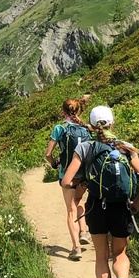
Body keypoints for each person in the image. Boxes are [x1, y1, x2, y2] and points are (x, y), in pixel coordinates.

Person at [61, 104, 139, 278]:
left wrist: (82, 182)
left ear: (91, 125)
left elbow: (65, 182)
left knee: (101, 256)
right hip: (121, 208)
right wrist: (137, 203)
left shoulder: (85, 148)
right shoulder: (125, 147)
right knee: (120, 254)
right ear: (113, 122)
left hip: (96, 207)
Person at [45, 98, 91, 260]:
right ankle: (84, 231)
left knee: (70, 209)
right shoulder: (86, 129)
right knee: (79, 201)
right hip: (83, 174)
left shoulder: (60, 128)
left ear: (63, 112)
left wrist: (54, 165)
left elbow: (48, 154)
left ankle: (76, 248)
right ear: (79, 111)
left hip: (67, 174)